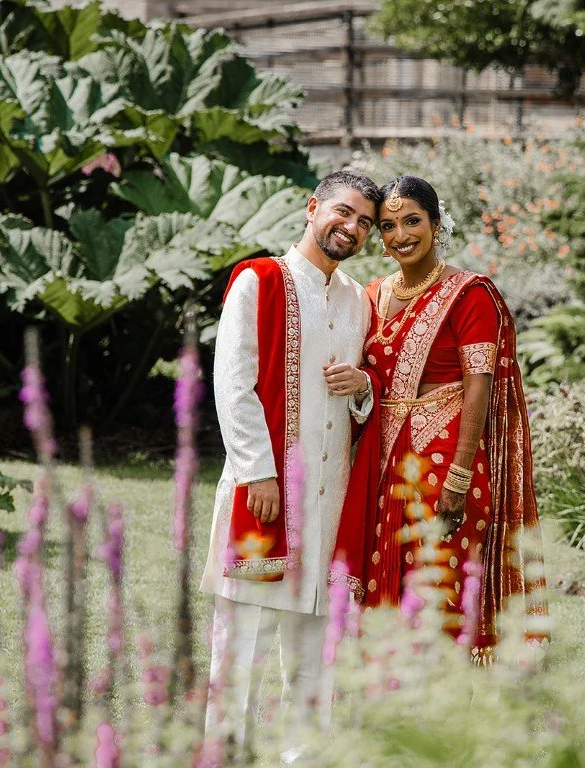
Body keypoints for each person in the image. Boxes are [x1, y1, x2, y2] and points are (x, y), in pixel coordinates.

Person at [200, 170, 381, 751]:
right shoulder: (259, 281)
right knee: (239, 654)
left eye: (365, 223)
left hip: (330, 503)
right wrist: (258, 471)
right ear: (313, 207)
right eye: (344, 213)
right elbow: (233, 385)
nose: (352, 228)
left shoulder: (357, 299)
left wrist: (362, 386)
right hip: (266, 496)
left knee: (313, 662)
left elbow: (364, 402)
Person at [337, 175, 548, 666]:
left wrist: (458, 472)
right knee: (381, 583)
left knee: (437, 585)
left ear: (436, 224)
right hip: (381, 459)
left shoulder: (469, 294)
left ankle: (444, 719)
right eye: (387, 226)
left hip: (445, 458)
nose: (400, 235)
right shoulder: (372, 295)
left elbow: (481, 385)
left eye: (412, 221)